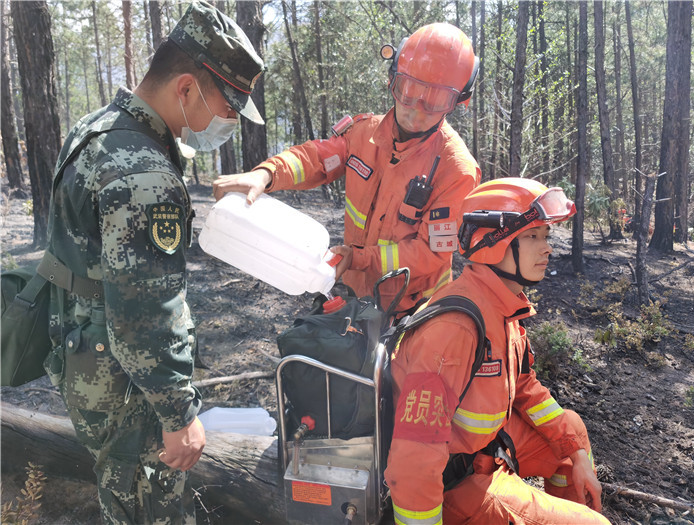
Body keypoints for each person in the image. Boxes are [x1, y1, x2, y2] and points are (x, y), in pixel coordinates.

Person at [41, 2, 264, 523]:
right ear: (185, 89)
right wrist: (178, 414)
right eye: (226, 106)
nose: (228, 121)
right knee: (149, 508)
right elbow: (144, 310)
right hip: (127, 387)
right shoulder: (145, 174)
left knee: (119, 499)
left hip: (84, 360)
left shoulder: (96, 129)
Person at [384, 178, 611, 524]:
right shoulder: (454, 329)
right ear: (493, 243)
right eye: (532, 237)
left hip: (486, 449)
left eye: (546, 236)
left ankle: (572, 508)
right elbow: (414, 461)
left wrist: (575, 451)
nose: (547, 248)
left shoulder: (501, 305)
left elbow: (522, 385)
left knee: (571, 434)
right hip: (456, 484)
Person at [213, 22, 481, 315]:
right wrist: (266, 174)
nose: (416, 110)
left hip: (415, 308)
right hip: (357, 293)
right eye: (409, 90)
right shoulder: (363, 133)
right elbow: (315, 158)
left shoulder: (457, 169)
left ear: (457, 102)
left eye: (435, 100)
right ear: (393, 80)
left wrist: (358, 258)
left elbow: (430, 254)